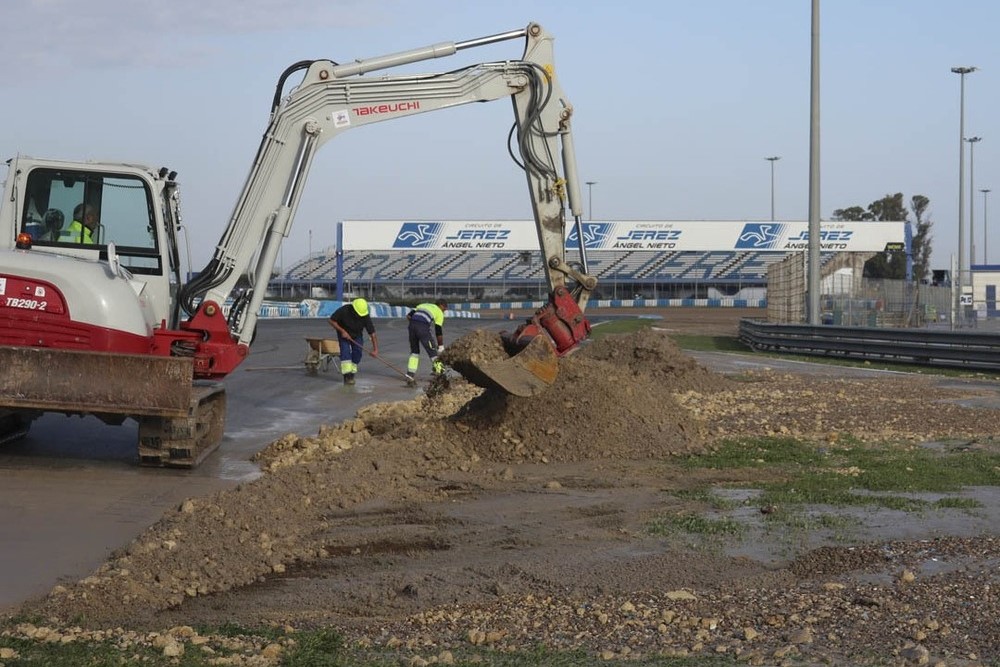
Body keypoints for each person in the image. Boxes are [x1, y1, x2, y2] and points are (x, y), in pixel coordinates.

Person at [328, 297, 378, 385]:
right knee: (345, 352)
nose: (360, 316)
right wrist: (342, 331)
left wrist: (375, 350)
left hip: (357, 334)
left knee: (358, 353)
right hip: (344, 333)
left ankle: (352, 372)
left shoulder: (365, 316)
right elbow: (331, 321)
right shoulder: (344, 311)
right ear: (354, 310)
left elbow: (372, 333)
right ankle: (347, 376)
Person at [405, 300, 447, 386]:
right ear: (441, 305)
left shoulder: (423, 304)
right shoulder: (439, 312)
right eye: (444, 309)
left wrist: (415, 326)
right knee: (432, 351)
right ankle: (440, 374)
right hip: (422, 328)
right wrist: (441, 346)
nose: (444, 311)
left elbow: (409, 316)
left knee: (414, 352)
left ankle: (410, 374)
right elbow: (438, 331)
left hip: (412, 326)